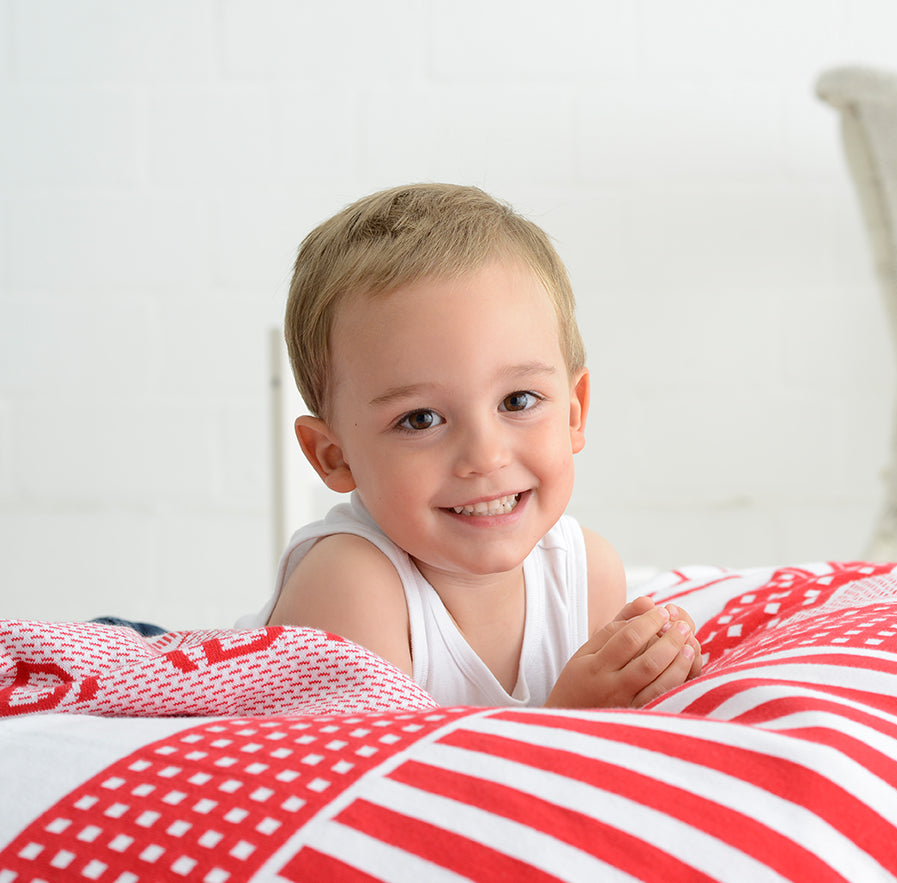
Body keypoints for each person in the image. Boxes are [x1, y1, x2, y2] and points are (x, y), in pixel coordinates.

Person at [238, 183, 701, 708]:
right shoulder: (351, 586)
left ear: (574, 413)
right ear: (334, 456)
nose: (486, 455)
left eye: (518, 400)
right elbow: (389, 784)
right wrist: (572, 716)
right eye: (421, 419)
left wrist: (654, 671)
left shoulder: (586, 573)